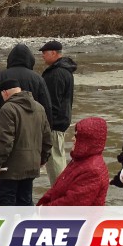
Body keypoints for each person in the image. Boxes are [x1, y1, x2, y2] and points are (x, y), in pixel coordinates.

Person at [0, 79, 52, 206]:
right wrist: (43, 159)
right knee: (25, 202)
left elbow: (6, 141)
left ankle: (10, 226)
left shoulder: (7, 109)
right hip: (32, 165)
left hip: (10, 169)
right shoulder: (39, 107)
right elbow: (47, 138)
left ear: (5, 92)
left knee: (5, 203)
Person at [0, 43, 53, 136]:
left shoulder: (0, 77)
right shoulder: (37, 79)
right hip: (31, 126)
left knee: (6, 148)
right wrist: (48, 129)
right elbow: (46, 106)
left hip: (5, 125)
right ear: (30, 60)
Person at [37, 117, 109, 206]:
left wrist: (44, 210)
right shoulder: (81, 160)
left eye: (77, 136)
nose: (72, 138)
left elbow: (72, 203)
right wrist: (44, 201)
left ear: (87, 140)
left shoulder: (92, 171)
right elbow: (58, 186)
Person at [39, 40, 76, 186]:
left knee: (55, 160)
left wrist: (46, 123)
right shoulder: (65, 70)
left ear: (54, 53)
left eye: (44, 53)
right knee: (58, 157)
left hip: (54, 123)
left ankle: (60, 192)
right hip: (61, 121)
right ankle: (62, 190)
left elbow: (52, 102)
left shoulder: (56, 73)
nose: (42, 56)